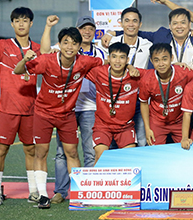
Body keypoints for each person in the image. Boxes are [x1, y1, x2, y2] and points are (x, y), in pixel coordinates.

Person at [14, 27, 105, 209]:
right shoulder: (47, 61)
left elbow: (107, 61)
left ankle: (78, 194)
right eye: (66, 42)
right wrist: (24, 59)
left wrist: (129, 66)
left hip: (67, 115)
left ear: (79, 47)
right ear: (60, 44)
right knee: (41, 153)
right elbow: (18, 71)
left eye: (74, 43)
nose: (69, 47)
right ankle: (42, 195)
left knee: (72, 153)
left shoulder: (85, 61)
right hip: (43, 114)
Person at [0, 8, 43, 205]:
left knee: (31, 151)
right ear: (12, 24)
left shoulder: (38, 49)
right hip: (7, 110)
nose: (21, 24)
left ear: (31, 23)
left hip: (30, 110)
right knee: (1, 150)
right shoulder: (2, 46)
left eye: (25, 20)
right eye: (17, 20)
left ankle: (33, 191)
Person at [51, 16, 107, 204]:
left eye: (91, 29)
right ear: (77, 30)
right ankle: (61, 191)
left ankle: (87, 190)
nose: (87, 32)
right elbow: (47, 52)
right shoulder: (66, 48)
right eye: (83, 28)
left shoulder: (101, 52)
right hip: (67, 107)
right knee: (62, 151)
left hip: (91, 107)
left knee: (90, 151)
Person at [85, 42, 143, 162]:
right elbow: (80, 65)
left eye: (122, 57)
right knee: (101, 157)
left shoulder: (135, 75)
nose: (117, 61)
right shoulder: (98, 72)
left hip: (125, 126)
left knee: (129, 159)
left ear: (127, 59)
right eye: (114, 56)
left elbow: (157, 74)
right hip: (103, 125)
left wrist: (130, 67)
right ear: (109, 58)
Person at [102, 8, 193, 68]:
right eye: (175, 23)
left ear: (189, 25)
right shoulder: (162, 35)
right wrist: (114, 33)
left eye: (183, 23)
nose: (179, 26)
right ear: (170, 26)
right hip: (166, 89)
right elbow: (135, 31)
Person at [107, 7, 153, 147]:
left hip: (139, 100)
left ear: (140, 24)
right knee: (114, 142)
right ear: (121, 23)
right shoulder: (111, 42)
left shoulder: (148, 45)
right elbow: (104, 64)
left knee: (141, 140)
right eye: (127, 21)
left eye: (134, 21)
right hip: (116, 98)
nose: (131, 24)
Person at [139, 43, 193, 145]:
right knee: (155, 150)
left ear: (172, 58)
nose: (161, 64)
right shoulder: (147, 79)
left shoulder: (184, 73)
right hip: (157, 122)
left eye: (164, 59)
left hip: (179, 121)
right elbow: (143, 103)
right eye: (156, 60)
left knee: (187, 147)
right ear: (151, 61)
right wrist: (147, 129)